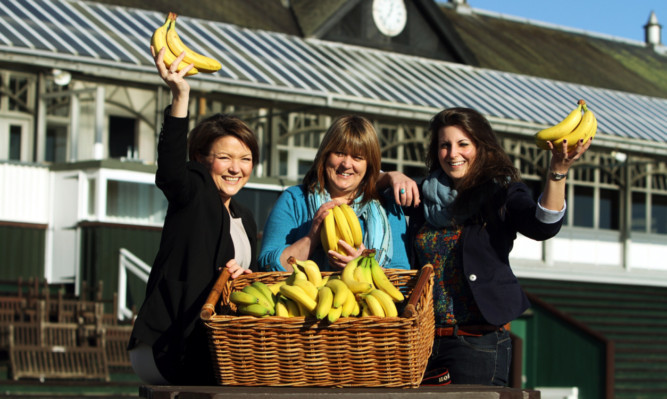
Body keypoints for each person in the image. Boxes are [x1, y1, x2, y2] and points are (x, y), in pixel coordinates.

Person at [395, 107, 591, 386]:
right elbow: (364, 183)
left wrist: (557, 171)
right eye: (444, 145)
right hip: (420, 343)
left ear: (481, 146)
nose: (453, 154)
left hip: (477, 344)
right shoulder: (421, 194)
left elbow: (543, 224)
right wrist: (389, 175)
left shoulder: (501, 193)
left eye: (463, 144)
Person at [127, 48, 259, 386]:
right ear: (201, 158)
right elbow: (170, 170)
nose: (236, 168)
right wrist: (180, 95)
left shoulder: (245, 217)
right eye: (225, 157)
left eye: (245, 159)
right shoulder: (196, 191)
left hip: (212, 349)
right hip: (170, 344)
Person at [258, 115, 411, 272]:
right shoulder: (294, 200)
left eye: (357, 157)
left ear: (369, 165)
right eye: (339, 153)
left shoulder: (388, 208)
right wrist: (312, 237)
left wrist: (363, 268)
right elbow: (267, 267)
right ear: (325, 155)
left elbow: (402, 278)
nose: (346, 164)